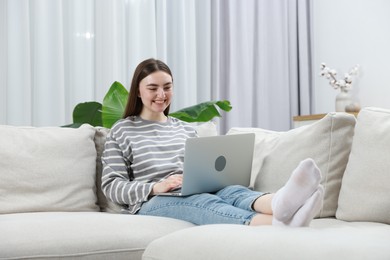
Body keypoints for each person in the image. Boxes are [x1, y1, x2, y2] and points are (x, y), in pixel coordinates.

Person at [101, 58, 324, 227]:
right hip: (153, 201)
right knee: (207, 204)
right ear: (138, 91)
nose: (161, 94)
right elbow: (112, 185)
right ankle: (279, 222)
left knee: (233, 192)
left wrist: (210, 180)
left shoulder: (184, 128)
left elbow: (199, 171)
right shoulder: (122, 130)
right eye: (152, 88)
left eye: (167, 87)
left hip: (189, 189)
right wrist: (154, 187)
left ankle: (281, 203)